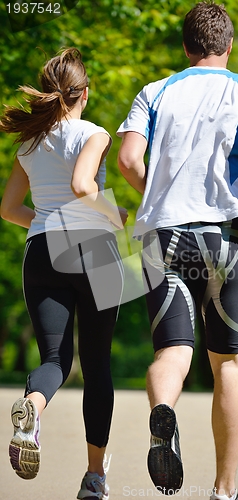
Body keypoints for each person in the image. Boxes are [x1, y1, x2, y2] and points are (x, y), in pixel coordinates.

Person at [117, 2, 238, 499]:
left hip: (163, 238)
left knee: (172, 351)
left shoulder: (153, 92)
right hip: (224, 239)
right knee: (229, 365)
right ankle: (224, 491)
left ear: (185, 47)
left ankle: (164, 415)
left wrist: (157, 196)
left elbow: (129, 158)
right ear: (229, 45)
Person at [0, 47, 127, 499]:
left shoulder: (29, 144)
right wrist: (117, 214)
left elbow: (8, 209)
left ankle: (33, 408)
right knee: (96, 367)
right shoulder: (95, 134)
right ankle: (94, 479)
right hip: (92, 248)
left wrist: (45, 221)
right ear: (84, 93)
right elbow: (82, 185)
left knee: (55, 361)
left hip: (42, 251)